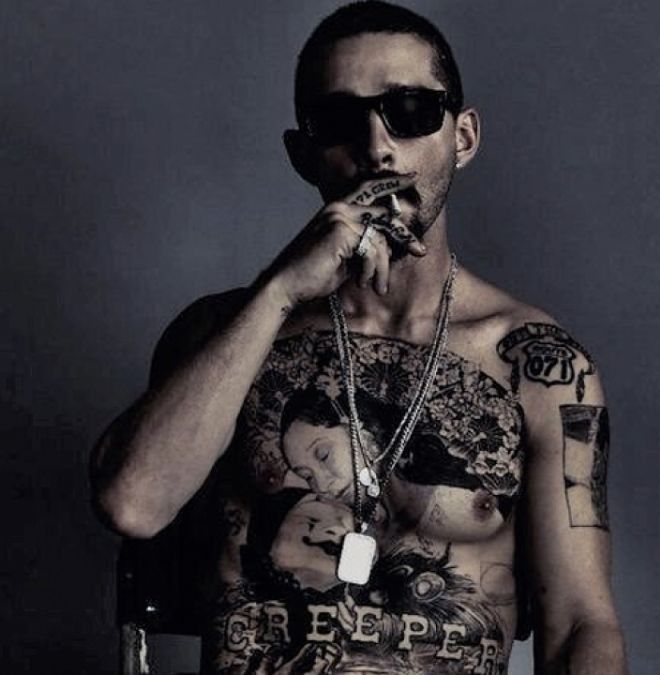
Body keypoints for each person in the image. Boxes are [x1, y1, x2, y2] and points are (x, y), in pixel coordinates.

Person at [90, 2, 628, 673]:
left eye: (409, 111)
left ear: (463, 136)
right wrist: (279, 290)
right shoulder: (223, 334)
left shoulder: (540, 366)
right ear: (302, 153)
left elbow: (580, 623)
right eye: (340, 121)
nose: (377, 148)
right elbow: (133, 504)